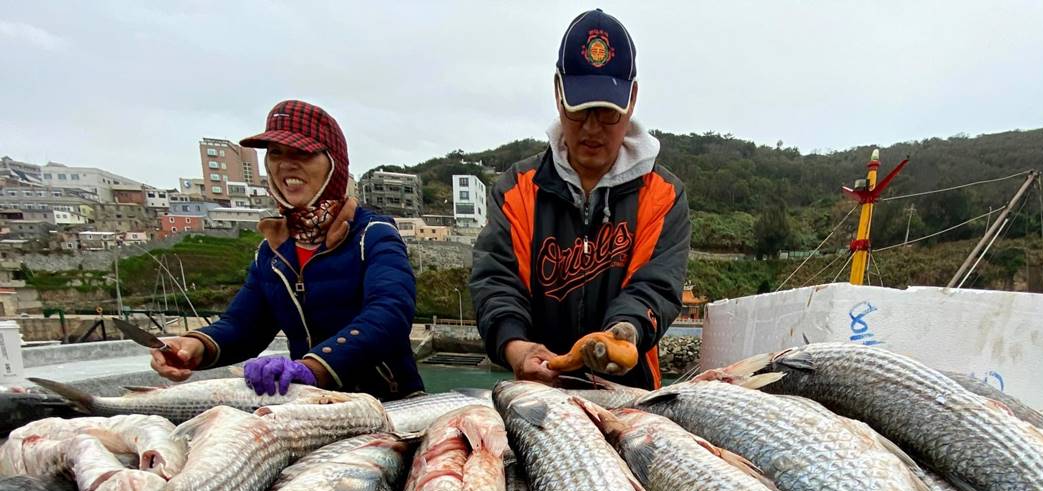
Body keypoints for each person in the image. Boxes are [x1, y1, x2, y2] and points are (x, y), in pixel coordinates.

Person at [470, 9, 690, 389]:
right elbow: (496, 281)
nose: (591, 128)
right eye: (579, 109)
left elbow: (654, 287)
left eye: (606, 113)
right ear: (558, 92)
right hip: (539, 396)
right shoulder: (515, 191)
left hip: (630, 398)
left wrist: (625, 332)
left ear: (632, 99)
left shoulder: (665, 196)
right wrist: (516, 347)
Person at [150, 100, 424, 398]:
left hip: (388, 403)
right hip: (311, 403)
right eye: (276, 153)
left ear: (334, 163)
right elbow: (244, 324)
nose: (286, 164)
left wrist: (313, 367)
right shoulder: (273, 251)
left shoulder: (373, 235)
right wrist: (196, 345)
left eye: (301, 153)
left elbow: (390, 313)